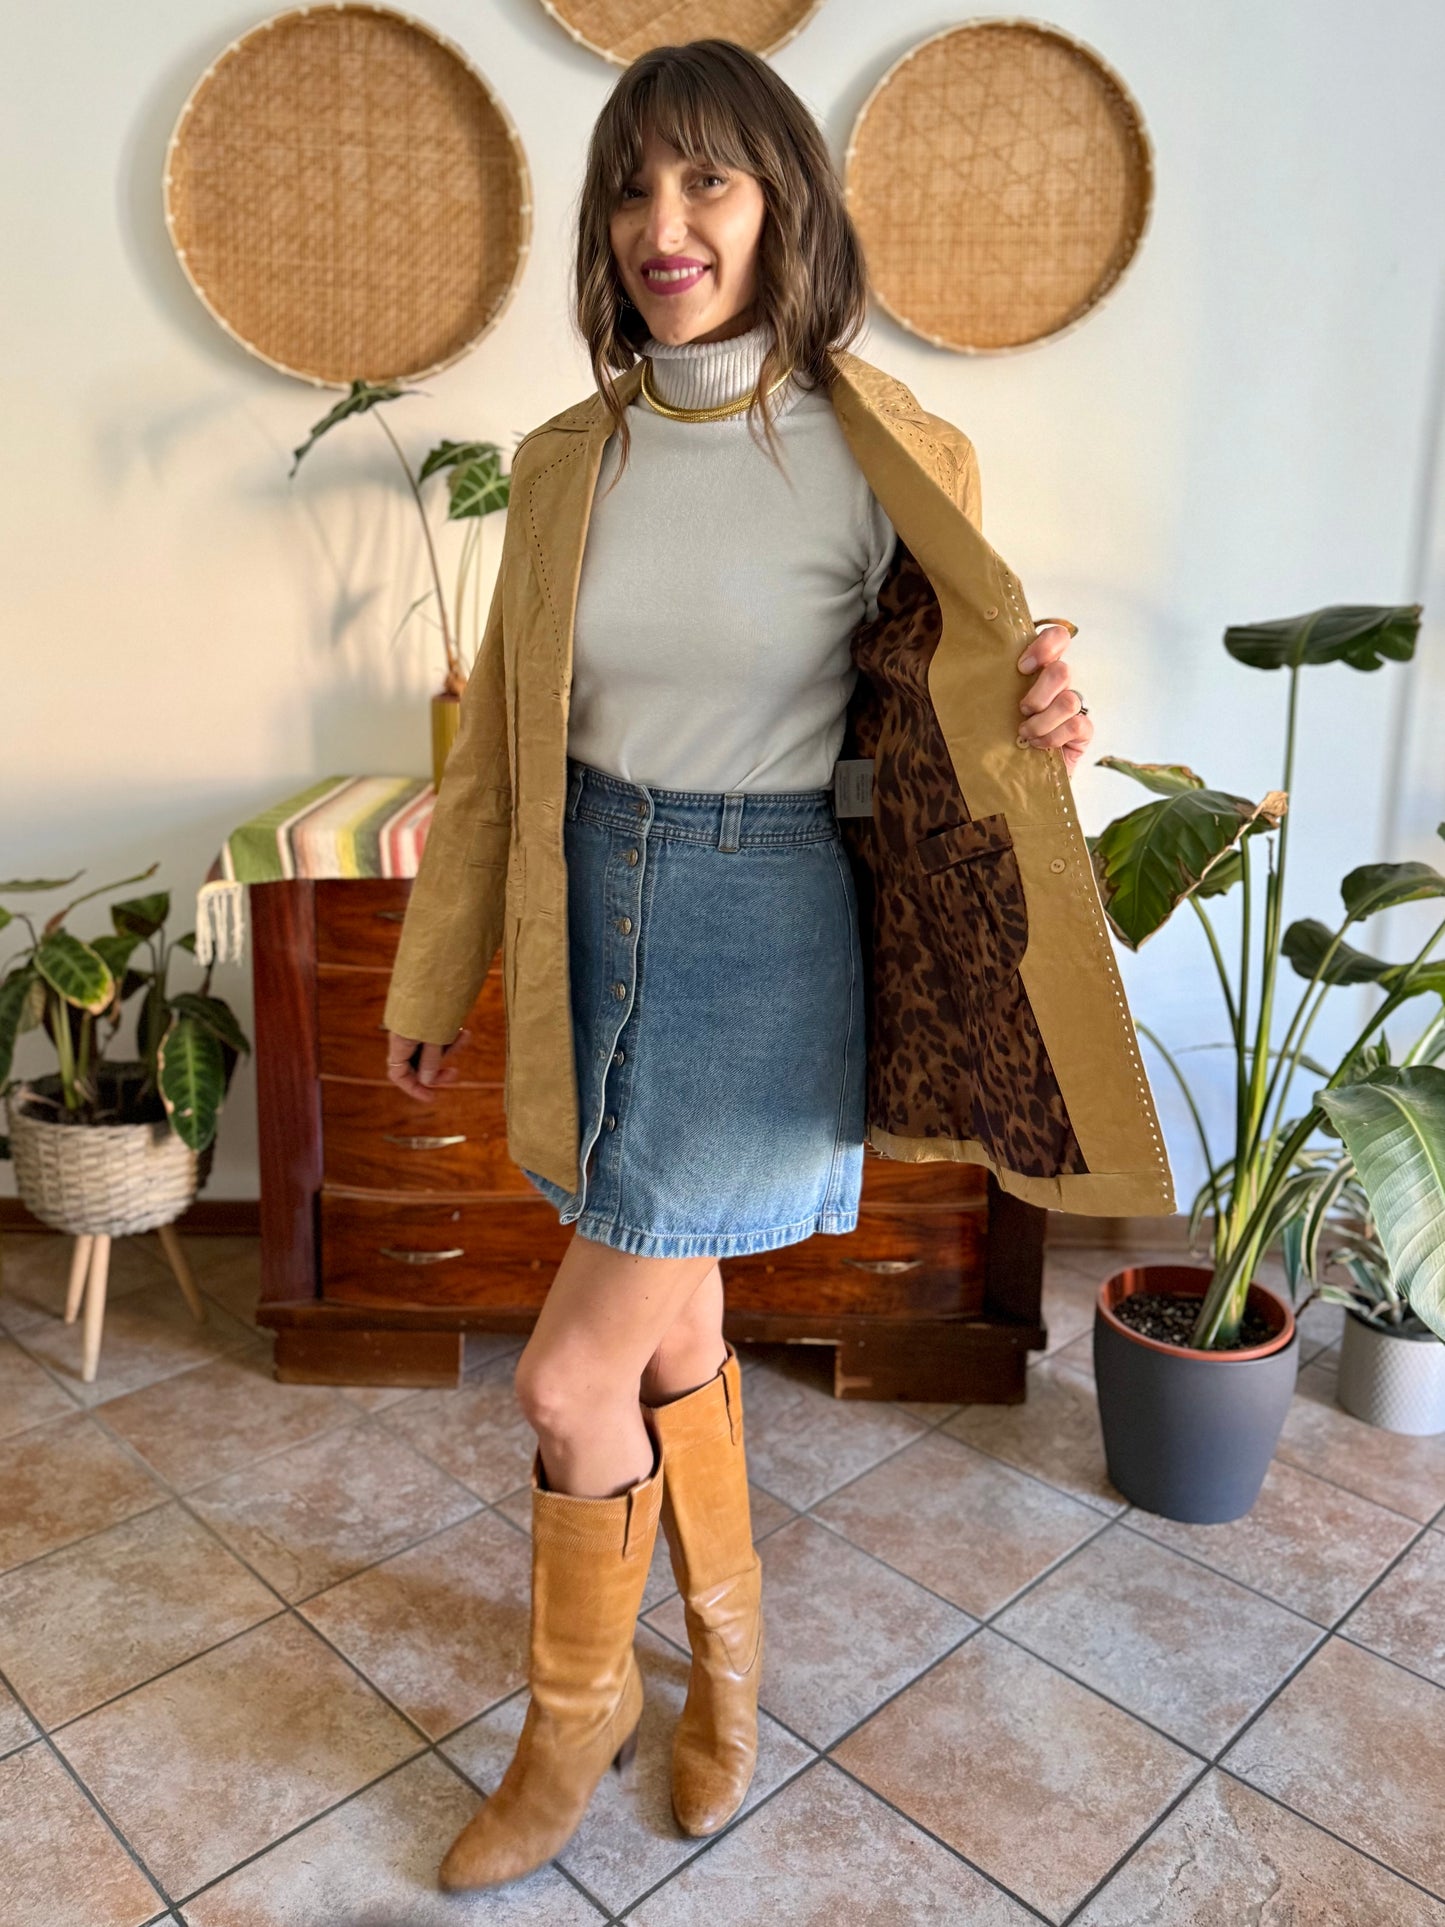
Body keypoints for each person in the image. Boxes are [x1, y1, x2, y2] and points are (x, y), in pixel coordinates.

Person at [382, 38, 1093, 1894]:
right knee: (675, 1327)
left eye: (706, 179)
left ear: (784, 207)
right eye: (632, 185)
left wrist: (1040, 709)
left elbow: (959, 714)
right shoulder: (565, 462)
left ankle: (573, 1726)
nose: (662, 223)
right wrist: (431, 981)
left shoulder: (884, 452)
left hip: (761, 926)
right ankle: (727, 1677)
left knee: (562, 1385)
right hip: (585, 908)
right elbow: (498, 759)